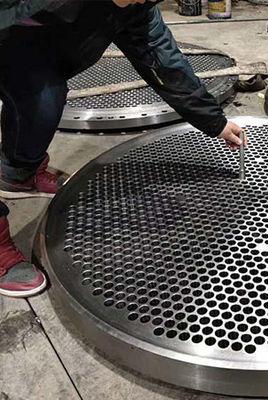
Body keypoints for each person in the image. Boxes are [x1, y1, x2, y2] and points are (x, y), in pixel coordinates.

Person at [0, 0, 246, 298]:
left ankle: (18, 172)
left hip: (30, 50)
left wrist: (214, 121)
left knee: (43, 101)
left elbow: (162, 59)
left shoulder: (137, 6)